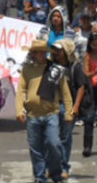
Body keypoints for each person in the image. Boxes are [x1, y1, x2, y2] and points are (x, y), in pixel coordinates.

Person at [16, 40, 73, 183]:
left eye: (42, 51)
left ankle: (55, 172)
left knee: (54, 144)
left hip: (51, 113)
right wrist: (19, 110)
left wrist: (68, 112)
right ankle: (40, 177)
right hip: (32, 115)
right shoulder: (27, 69)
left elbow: (65, 93)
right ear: (33, 53)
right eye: (36, 51)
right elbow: (21, 91)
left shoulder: (55, 69)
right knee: (36, 149)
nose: (40, 54)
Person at [51, 39, 90, 180]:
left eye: (59, 50)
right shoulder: (51, 66)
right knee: (51, 138)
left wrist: (75, 107)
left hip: (68, 107)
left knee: (65, 139)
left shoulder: (74, 67)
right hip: (52, 107)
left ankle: (63, 167)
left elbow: (81, 86)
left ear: (66, 51)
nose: (56, 52)